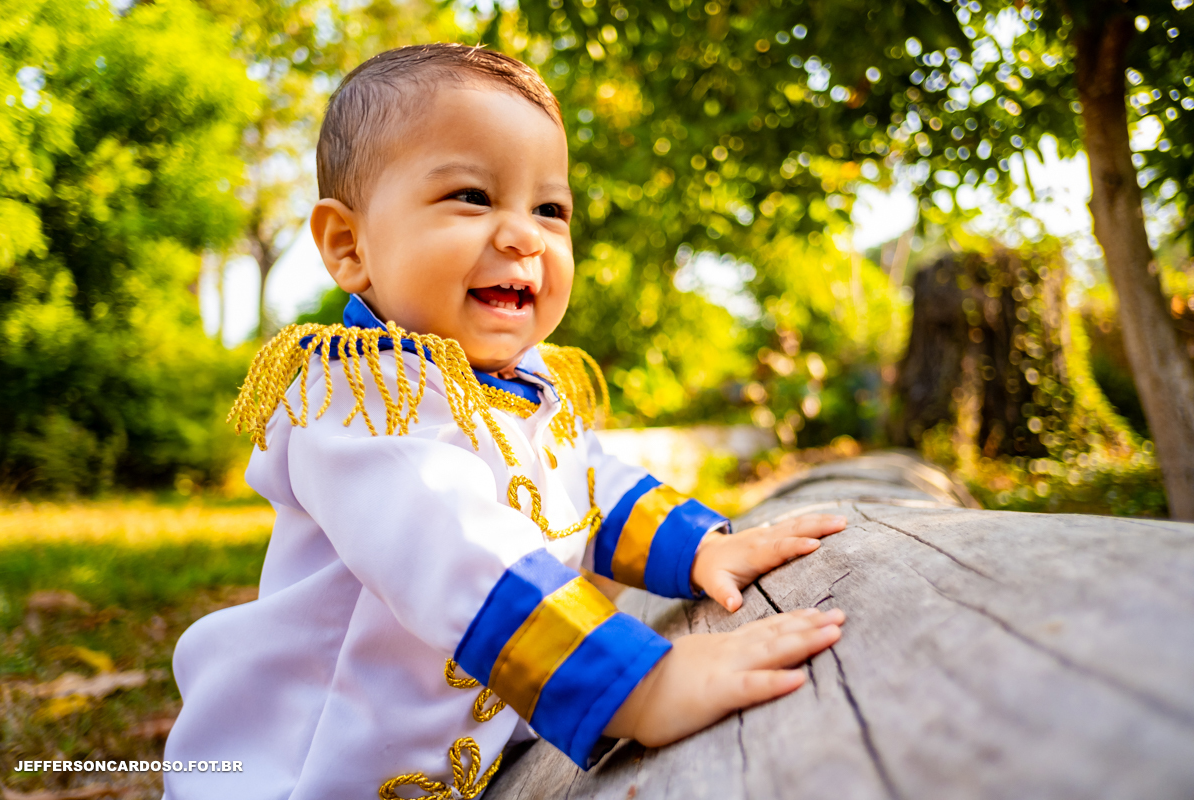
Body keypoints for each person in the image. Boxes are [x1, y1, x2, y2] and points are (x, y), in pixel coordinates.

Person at [162, 43, 847, 800]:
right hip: (307, 772)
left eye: (550, 209)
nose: (525, 235)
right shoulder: (360, 402)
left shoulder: (525, 383)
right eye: (472, 196)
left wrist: (698, 548)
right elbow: (457, 546)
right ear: (350, 246)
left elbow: (584, 481)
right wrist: (636, 687)